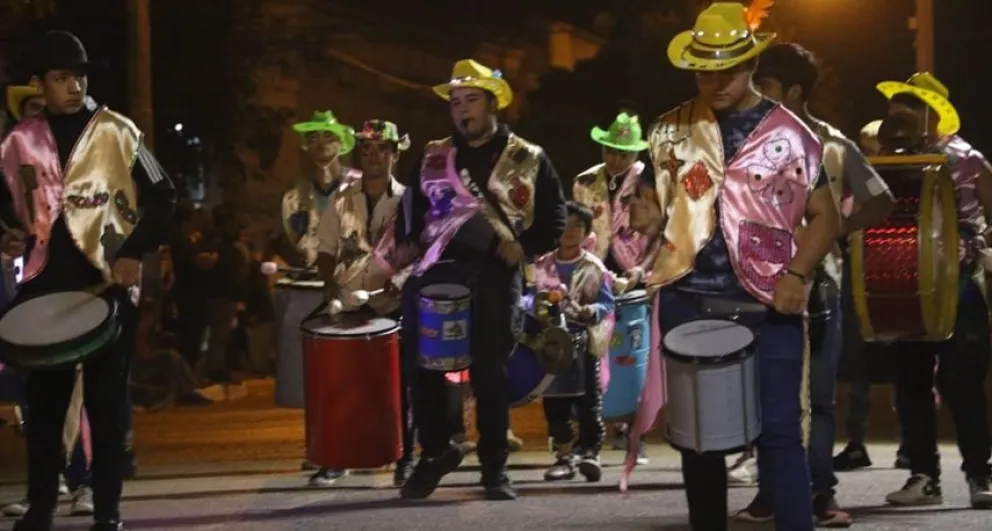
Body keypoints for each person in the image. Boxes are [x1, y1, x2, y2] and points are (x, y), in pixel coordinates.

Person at [630, 4, 840, 529]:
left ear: (749, 65)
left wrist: (797, 277)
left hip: (768, 302)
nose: (716, 80)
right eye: (705, 69)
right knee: (699, 441)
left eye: (728, 68)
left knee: (780, 435)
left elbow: (824, 218)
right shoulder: (669, 131)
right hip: (688, 297)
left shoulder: (790, 134)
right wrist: (649, 215)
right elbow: (658, 210)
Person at [0, 30, 176, 531]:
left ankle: (107, 514)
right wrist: (9, 233)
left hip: (108, 283)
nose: (74, 86)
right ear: (40, 83)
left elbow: (165, 194)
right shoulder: (18, 140)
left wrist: (135, 252)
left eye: (79, 76)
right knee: (46, 407)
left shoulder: (118, 130)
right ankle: (40, 509)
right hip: (44, 286)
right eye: (61, 78)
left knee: (104, 405)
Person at [728, 41, 897, 527]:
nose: (756, 92)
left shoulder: (834, 145)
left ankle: (818, 493)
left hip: (817, 285)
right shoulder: (745, 136)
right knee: (767, 393)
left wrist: (836, 229)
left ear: (796, 91)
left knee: (818, 397)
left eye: (767, 85)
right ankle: (773, 493)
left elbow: (879, 200)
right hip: (756, 283)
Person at [395, 58, 567, 501]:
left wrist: (522, 248)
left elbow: (554, 218)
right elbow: (410, 211)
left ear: (494, 104)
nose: (462, 110)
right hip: (439, 274)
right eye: (455, 103)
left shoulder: (528, 158)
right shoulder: (434, 157)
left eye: (471, 100)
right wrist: (408, 241)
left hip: (495, 278)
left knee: (490, 376)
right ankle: (435, 453)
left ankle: (494, 470)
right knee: (422, 369)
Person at [868, 72, 992, 509]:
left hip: (958, 282)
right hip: (899, 284)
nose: (899, 116)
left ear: (932, 113)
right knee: (910, 382)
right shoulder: (885, 160)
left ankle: (980, 473)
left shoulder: (969, 160)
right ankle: (923, 476)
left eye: (910, 108)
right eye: (895, 110)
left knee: (963, 380)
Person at [2, 79, 97, 519]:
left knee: (82, 387)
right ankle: (54, 479)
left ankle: (88, 480)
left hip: (79, 281)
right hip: (33, 285)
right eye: (30, 110)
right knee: (39, 389)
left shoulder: (83, 152)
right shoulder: (14, 159)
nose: (37, 117)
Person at [314, 119, 413, 487]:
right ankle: (339, 457)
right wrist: (329, 286)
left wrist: (398, 286)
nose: (373, 156)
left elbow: (419, 253)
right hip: (347, 303)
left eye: (382, 149)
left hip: (393, 302)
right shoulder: (342, 197)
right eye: (367, 150)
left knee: (400, 385)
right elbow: (325, 247)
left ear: (394, 154)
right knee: (343, 385)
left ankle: (406, 458)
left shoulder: (408, 201)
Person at [572, 111, 660, 464]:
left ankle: (633, 433)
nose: (616, 158)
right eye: (611, 150)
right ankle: (593, 428)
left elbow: (659, 233)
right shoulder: (584, 181)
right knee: (594, 352)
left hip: (636, 273)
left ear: (636, 154)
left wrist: (641, 270)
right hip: (596, 272)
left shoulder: (648, 181)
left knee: (636, 356)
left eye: (624, 153)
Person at [278, 110, 358, 475]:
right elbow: (301, 243)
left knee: (355, 372)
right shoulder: (296, 197)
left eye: (327, 137)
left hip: (357, 287)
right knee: (316, 374)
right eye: (313, 138)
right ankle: (323, 445)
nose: (320, 144)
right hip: (314, 288)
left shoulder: (361, 187)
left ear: (342, 143)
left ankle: (356, 443)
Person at [531, 201, 614, 482]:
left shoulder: (593, 267)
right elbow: (525, 296)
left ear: (586, 232)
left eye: (577, 224)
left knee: (589, 401)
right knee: (554, 402)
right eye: (564, 223)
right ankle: (564, 456)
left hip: (585, 342)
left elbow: (607, 302)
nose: (569, 230)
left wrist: (592, 311)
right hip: (552, 343)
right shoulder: (541, 265)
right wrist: (537, 304)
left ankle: (591, 453)